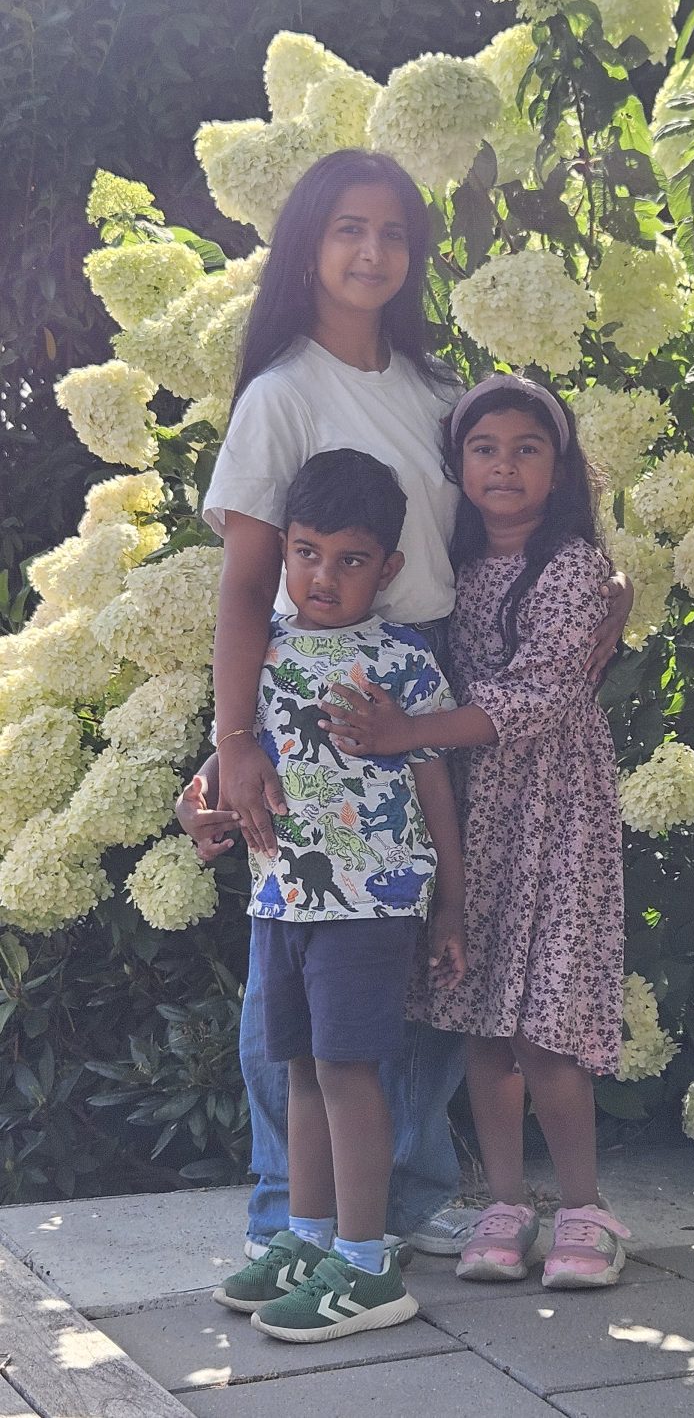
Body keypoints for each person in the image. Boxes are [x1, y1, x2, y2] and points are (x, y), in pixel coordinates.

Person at [184, 149, 629, 1260]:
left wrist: (607, 591)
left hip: (440, 670)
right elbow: (246, 588)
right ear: (308, 247)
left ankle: (408, 1199)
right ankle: (289, 1218)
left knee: (425, 938)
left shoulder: (436, 393)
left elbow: (508, 514)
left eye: (392, 232)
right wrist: (235, 740)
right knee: (301, 936)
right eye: (347, 228)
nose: (371, 251)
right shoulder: (283, 392)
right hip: (321, 683)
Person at [319, 373, 630, 1290]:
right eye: (483, 449)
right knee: (485, 1020)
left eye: (527, 450)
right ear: (456, 466)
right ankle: (505, 1203)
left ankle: (584, 1210)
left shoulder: (570, 566)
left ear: (558, 470)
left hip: (554, 812)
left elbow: (540, 695)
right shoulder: (453, 566)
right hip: (475, 810)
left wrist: (407, 732)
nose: (503, 466)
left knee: (545, 1026)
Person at [211, 448, 466, 1342]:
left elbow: (434, 783)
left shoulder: (402, 662)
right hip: (281, 900)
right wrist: (199, 805)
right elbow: (233, 758)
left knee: (349, 1071)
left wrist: (451, 902)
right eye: (307, 553)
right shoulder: (265, 655)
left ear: (386, 569)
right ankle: (310, 1239)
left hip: (369, 903)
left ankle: (366, 1265)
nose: (324, 576)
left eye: (350, 559)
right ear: (283, 549)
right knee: (302, 1070)